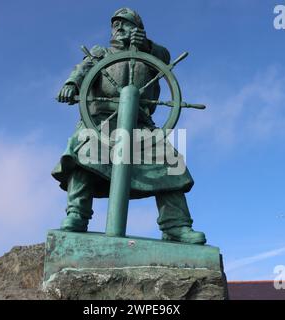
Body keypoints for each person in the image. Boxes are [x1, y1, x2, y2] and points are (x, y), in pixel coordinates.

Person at [53, 8, 206, 244]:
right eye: (116, 25)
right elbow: (82, 70)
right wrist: (71, 83)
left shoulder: (152, 54)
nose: (119, 29)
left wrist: (146, 46)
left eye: (126, 24)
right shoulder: (101, 52)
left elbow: (164, 57)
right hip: (100, 123)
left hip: (140, 126)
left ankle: (176, 225)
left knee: (170, 162)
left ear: (139, 29)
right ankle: (77, 214)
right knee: (83, 151)